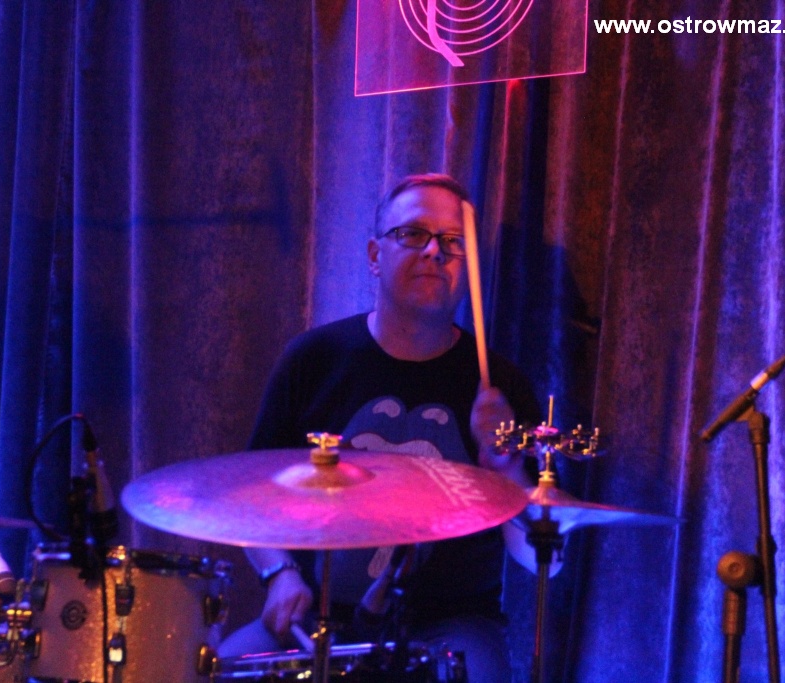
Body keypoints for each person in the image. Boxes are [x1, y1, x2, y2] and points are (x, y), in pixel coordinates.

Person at [218, 173, 543, 682]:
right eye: (413, 233)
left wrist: (505, 464)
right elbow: (250, 496)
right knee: (216, 670)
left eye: (453, 241)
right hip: (319, 619)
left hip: (448, 626)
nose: (435, 251)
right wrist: (279, 573)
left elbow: (542, 559)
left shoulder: (500, 386)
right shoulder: (314, 360)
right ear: (374, 255)